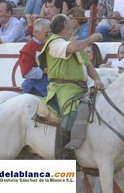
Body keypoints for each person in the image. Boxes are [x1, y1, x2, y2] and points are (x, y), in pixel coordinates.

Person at [40, 13, 104, 158]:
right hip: (63, 88)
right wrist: (91, 38)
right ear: (65, 26)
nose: (72, 24)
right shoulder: (55, 42)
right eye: (69, 22)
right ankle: (64, 151)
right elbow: (72, 48)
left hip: (81, 87)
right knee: (71, 112)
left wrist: (97, 79)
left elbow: (88, 65)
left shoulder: (71, 43)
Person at [18, 17, 50, 96]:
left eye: (50, 32)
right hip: (35, 85)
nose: (49, 35)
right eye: (46, 33)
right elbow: (26, 72)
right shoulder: (28, 48)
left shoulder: (50, 43)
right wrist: (44, 70)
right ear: (35, 32)